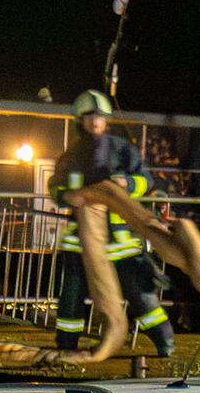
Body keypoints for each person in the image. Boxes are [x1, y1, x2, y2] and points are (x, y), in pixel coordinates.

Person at [48, 89, 176, 357]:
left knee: (141, 296)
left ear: (106, 120)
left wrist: (126, 184)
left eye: (99, 117)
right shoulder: (72, 155)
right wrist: (66, 195)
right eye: (89, 117)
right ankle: (66, 346)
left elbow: (146, 181)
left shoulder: (122, 150)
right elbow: (55, 187)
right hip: (80, 243)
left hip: (120, 241)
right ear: (80, 121)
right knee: (71, 299)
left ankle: (166, 343)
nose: (95, 122)